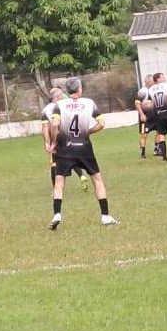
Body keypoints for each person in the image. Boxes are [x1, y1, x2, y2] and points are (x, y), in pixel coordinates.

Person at [46, 77, 118, 229]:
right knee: (97, 180)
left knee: (59, 182)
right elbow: (102, 124)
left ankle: (57, 214)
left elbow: (55, 124)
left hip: (65, 147)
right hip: (84, 147)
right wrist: (88, 132)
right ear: (79, 89)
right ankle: (105, 216)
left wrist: (54, 142)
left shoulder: (59, 105)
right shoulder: (89, 103)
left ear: (67, 91)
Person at [42, 87, 88, 192]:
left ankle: (56, 190)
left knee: (54, 163)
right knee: (71, 157)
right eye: (61, 95)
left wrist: (48, 142)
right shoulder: (67, 105)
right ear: (55, 97)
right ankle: (81, 175)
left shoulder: (46, 109)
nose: (63, 97)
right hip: (70, 135)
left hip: (57, 136)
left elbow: (46, 128)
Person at [134, 74, 156, 160]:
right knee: (144, 134)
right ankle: (142, 152)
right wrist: (142, 114)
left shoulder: (153, 90)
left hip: (153, 115)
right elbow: (137, 103)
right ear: (148, 81)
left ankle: (157, 149)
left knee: (160, 131)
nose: (154, 82)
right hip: (145, 115)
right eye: (153, 81)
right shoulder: (143, 91)